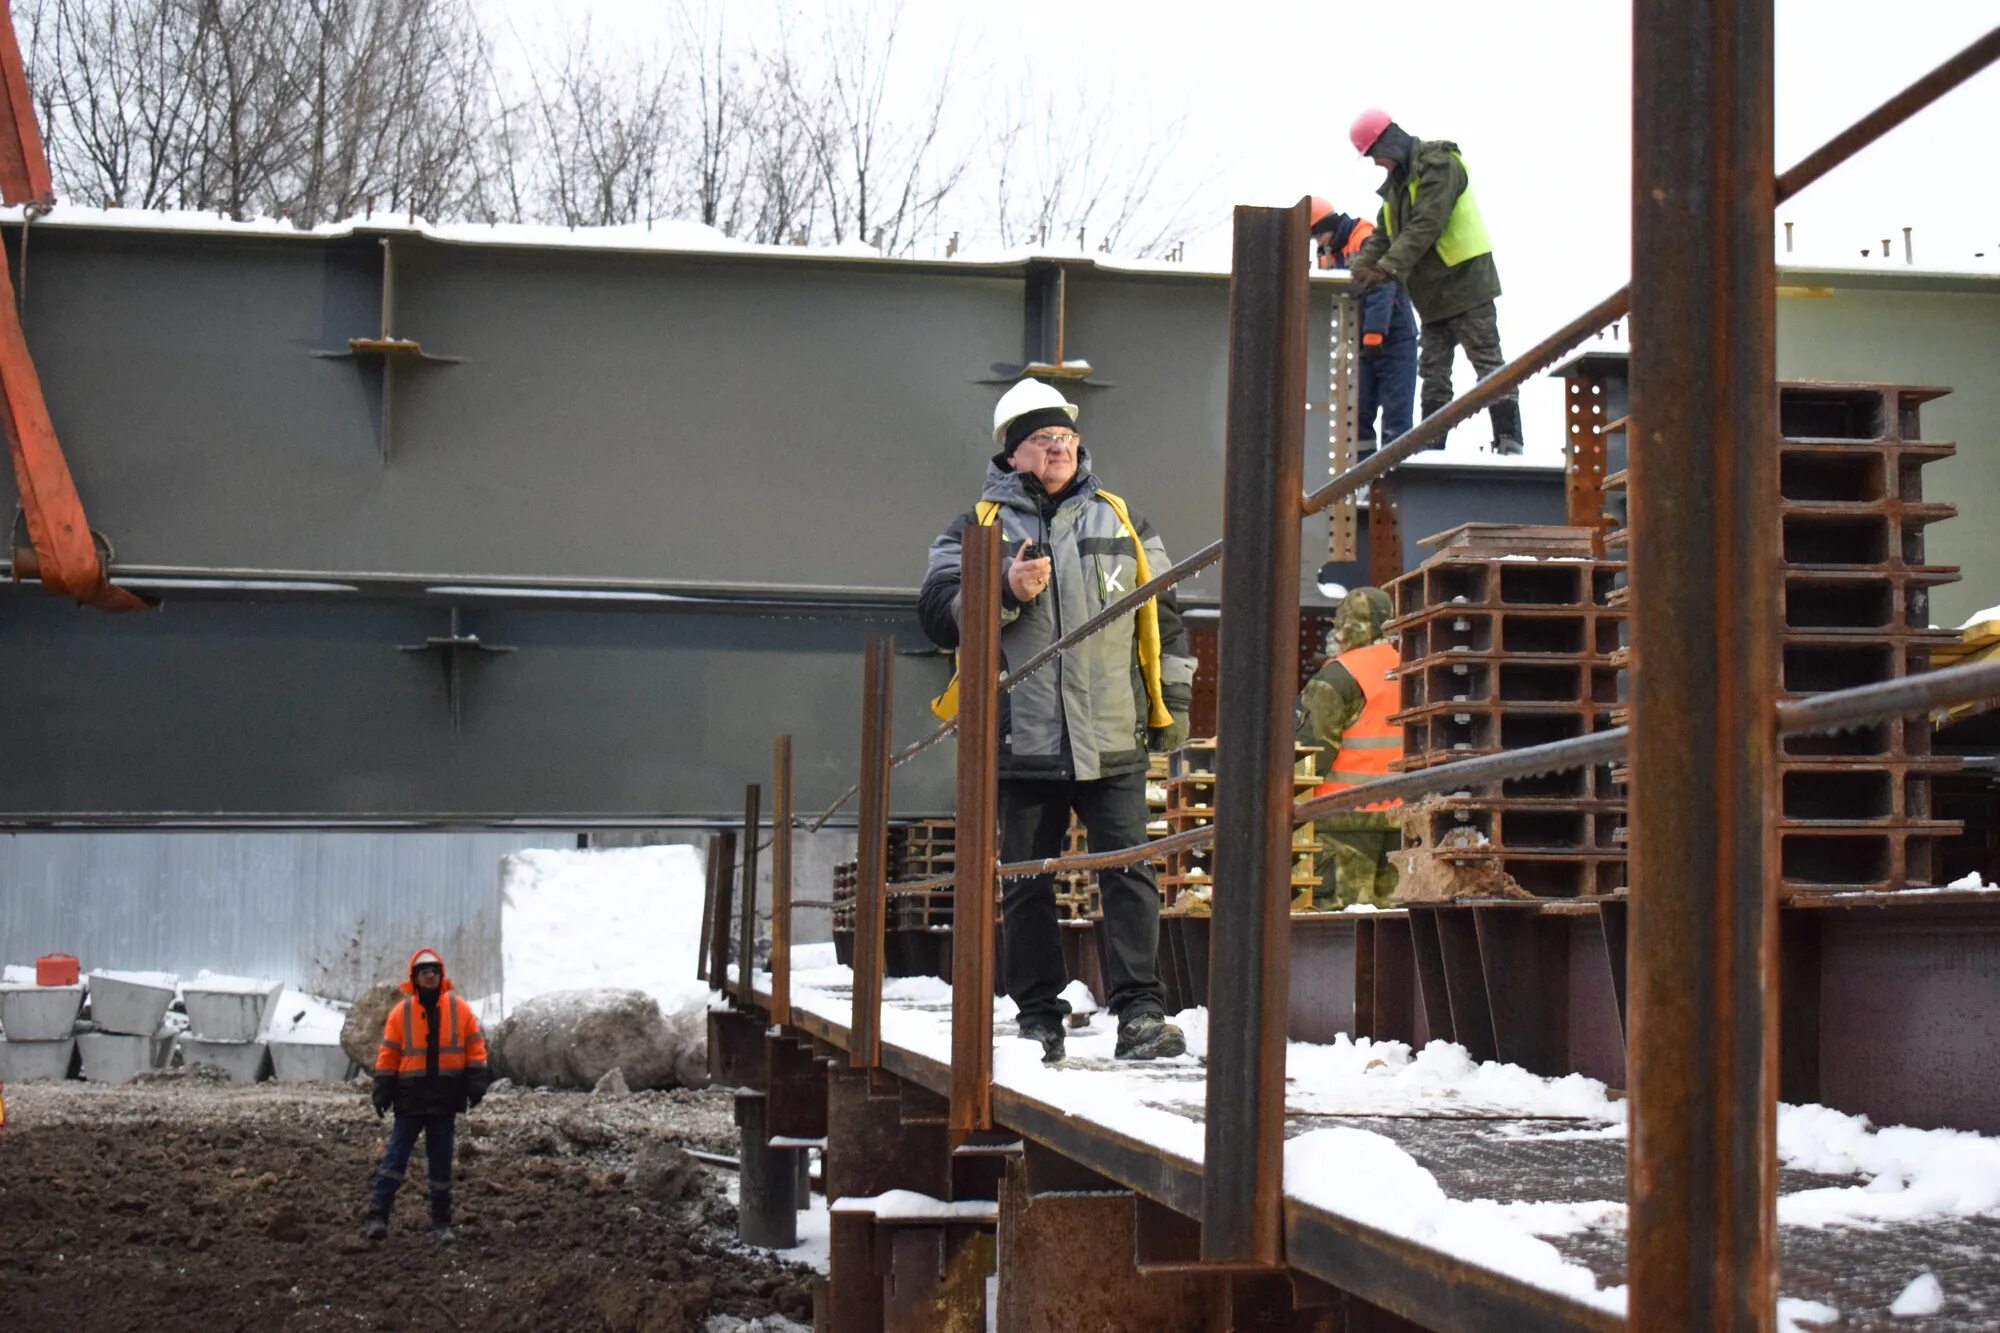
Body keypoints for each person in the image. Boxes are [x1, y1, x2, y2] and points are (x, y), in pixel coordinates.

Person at [919, 379, 1196, 1065]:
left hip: (1112, 734)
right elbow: (934, 610)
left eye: (1067, 440)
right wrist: (1003, 592)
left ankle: (1140, 1013)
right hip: (1023, 737)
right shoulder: (974, 527)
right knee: (1025, 882)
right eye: (1045, 441)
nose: (1060, 450)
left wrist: (1173, 705)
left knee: (1129, 872)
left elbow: (1166, 618)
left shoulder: (1122, 520)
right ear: (1013, 453)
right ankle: (1038, 1016)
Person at [1344, 109, 1523, 456]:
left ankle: (1509, 441)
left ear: (1389, 142)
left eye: (1375, 154)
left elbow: (1427, 223)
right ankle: (1432, 448)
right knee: (1433, 372)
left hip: (1466, 284)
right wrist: (1358, 274)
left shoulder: (1440, 165)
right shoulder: (1397, 187)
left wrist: (1386, 269)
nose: (1378, 163)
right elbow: (1384, 235)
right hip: (1432, 295)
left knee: (1486, 361)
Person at [363, 947, 490, 1243]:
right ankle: (377, 1216)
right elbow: (389, 1054)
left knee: (442, 1163)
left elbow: (475, 1047)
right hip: (410, 1100)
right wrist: (382, 1089)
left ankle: (442, 1222)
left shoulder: (460, 1010)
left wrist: (477, 1081)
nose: (431, 975)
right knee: (395, 1159)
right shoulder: (400, 1013)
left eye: (435, 971)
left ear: (441, 975)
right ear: (415, 978)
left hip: (445, 1100)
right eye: (424, 972)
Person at [1297, 588, 1403, 909]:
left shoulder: (1338, 677)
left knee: (1339, 929)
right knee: (1393, 930)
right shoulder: (1414, 669)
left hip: (1340, 824)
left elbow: (1309, 758)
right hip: (1401, 820)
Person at [1310, 199, 1418, 459]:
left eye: (1317, 233)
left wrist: (1374, 333)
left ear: (1329, 226)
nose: (1317, 241)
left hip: (1394, 337)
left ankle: (1393, 480)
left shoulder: (1365, 239)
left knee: (1396, 413)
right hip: (1360, 340)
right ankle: (1363, 481)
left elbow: (1382, 287)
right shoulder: (1327, 253)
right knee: (1357, 414)